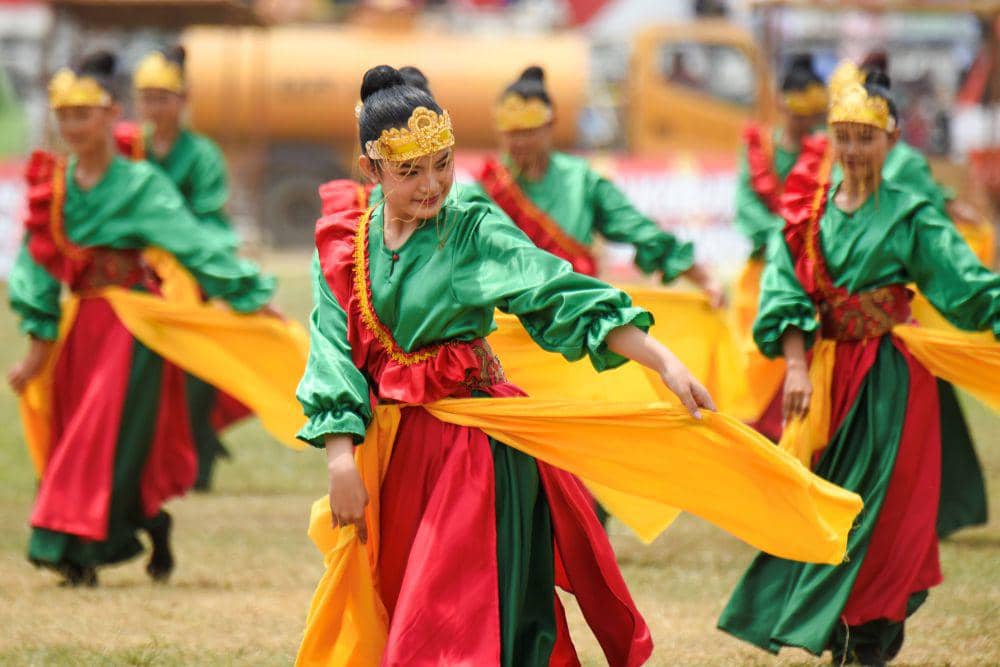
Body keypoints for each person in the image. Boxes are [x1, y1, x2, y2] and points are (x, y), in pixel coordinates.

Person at [718, 73, 1000, 665]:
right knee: (826, 501)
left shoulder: (910, 215)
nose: (853, 150)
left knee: (880, 505)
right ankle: (851, 623)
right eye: (843, 137)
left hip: (890, 379)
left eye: (865, 138)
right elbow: (785, 292)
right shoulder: (808, 215)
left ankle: (872, 627)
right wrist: (795, 366)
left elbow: (967, 289)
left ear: (890, 142)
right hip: (824, 378)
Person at [7, 51, 276, 586]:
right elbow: (35, 266)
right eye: (64, 116)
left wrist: (246, 295)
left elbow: (195, 242)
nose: (72, 127)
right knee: (77, 437)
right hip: (80, 328)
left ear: (110, 115)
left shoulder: (142, 185)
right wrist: (37, 345)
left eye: (83, 114)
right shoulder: (53, 186)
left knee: (98, 440)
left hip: (133, 328)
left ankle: (75, 556)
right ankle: (150, 524)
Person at [476, 66, 723, 306]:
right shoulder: (491, 184)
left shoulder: (581, 180)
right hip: (510, 317)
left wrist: (704, 278)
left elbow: (639, 230)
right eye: (511, 132)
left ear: (550, 126)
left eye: (528, 131)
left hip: (574, 313)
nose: (518, 141)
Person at [114, 46, 246, 490]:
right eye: (146, 97)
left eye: (163, 97)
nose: (154, 106)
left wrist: (177, 243)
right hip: (138, 276)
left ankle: (198, 460)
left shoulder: (203, 154)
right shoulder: (130, 148)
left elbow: (211, 219)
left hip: (191, 271)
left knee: (196, 371)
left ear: (182, 100)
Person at [732, 53, 827, 440]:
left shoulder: (826, 153)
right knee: (755, 360)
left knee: (805, 354)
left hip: (810, 275)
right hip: (762, 273)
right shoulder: (760, 148)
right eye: (797, 113)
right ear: (782, 104)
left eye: (811, 116)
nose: (803, 123)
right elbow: (746, 203)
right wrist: (782, 237)